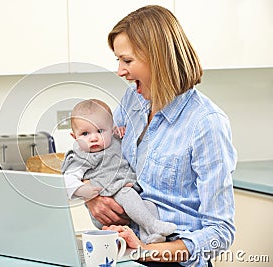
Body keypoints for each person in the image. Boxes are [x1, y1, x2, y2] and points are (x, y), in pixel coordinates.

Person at [86, 5, 237, 267]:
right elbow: (102, 159)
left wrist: (146, 250)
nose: (120, 71)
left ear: (158, 58)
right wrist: (92, 197)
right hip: (124, 255)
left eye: (128, 60)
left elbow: (220, 232)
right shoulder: (132, 101)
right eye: (118, 60)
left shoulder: (206, 124)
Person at [61, 99, 176, 244]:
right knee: (126, 193)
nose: (94, 138)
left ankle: (149, 238)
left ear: (111, 128)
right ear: (74, 137)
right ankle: (153, 226)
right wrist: (87, 193)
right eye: (85, 134)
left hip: (130, 199)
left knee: (149, 205)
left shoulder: (114, 141)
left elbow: (134, 141)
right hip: (108, 204)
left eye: (100, 131)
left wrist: (121, 133)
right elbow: (68, 180)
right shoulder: (81, 157)